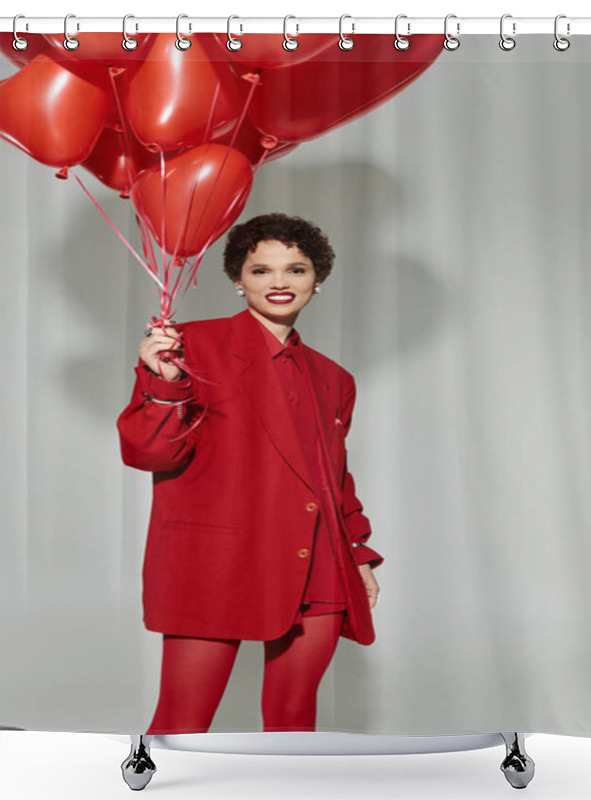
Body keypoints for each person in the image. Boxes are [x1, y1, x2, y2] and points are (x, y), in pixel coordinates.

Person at [117, 213, 382, 733]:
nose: (280, 282)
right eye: (261, 271)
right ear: (238, 281)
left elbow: (334, 478)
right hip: (219, 559)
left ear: (318, 280)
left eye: (296, 269)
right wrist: (164, 383)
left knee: (293, 720)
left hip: (318, 560)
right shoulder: (190, 345)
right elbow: (150, 453)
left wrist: (359, 556)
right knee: (182, 722)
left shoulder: (334, 378)